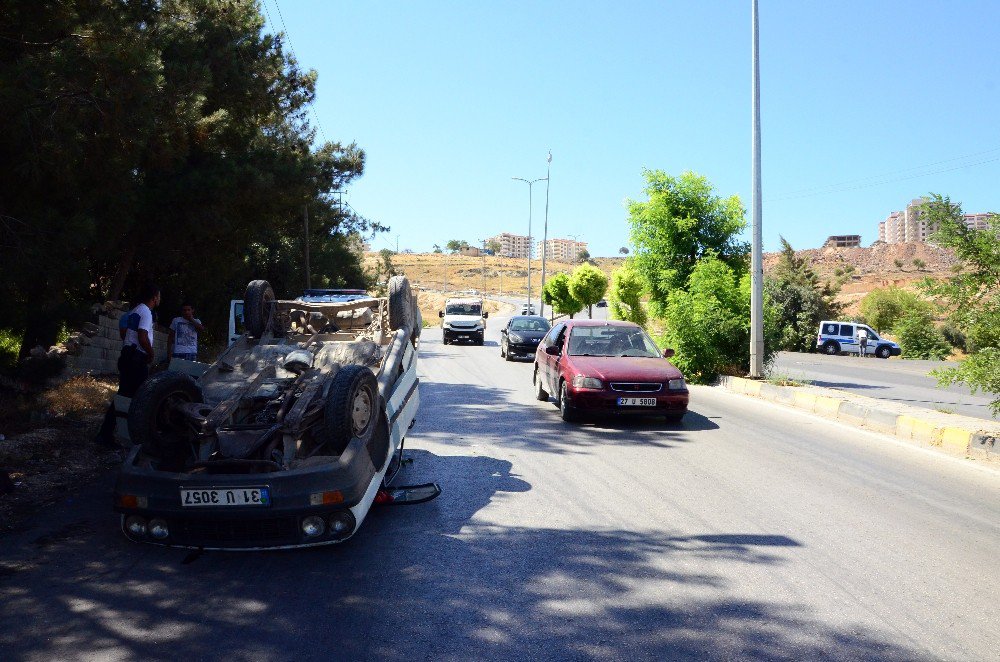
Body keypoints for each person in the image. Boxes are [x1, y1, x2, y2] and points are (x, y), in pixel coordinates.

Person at [94, 283, 161, 448]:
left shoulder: (136, 310)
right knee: (142, 396)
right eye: (159, 296)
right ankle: (139, 436)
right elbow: (143, 336)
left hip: (128, 355)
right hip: (136, 359)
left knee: (124, 395)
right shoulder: (146, 311)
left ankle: (106, 434)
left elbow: (127, 334)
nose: (159, 299)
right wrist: (150, 353)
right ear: (154, 297)